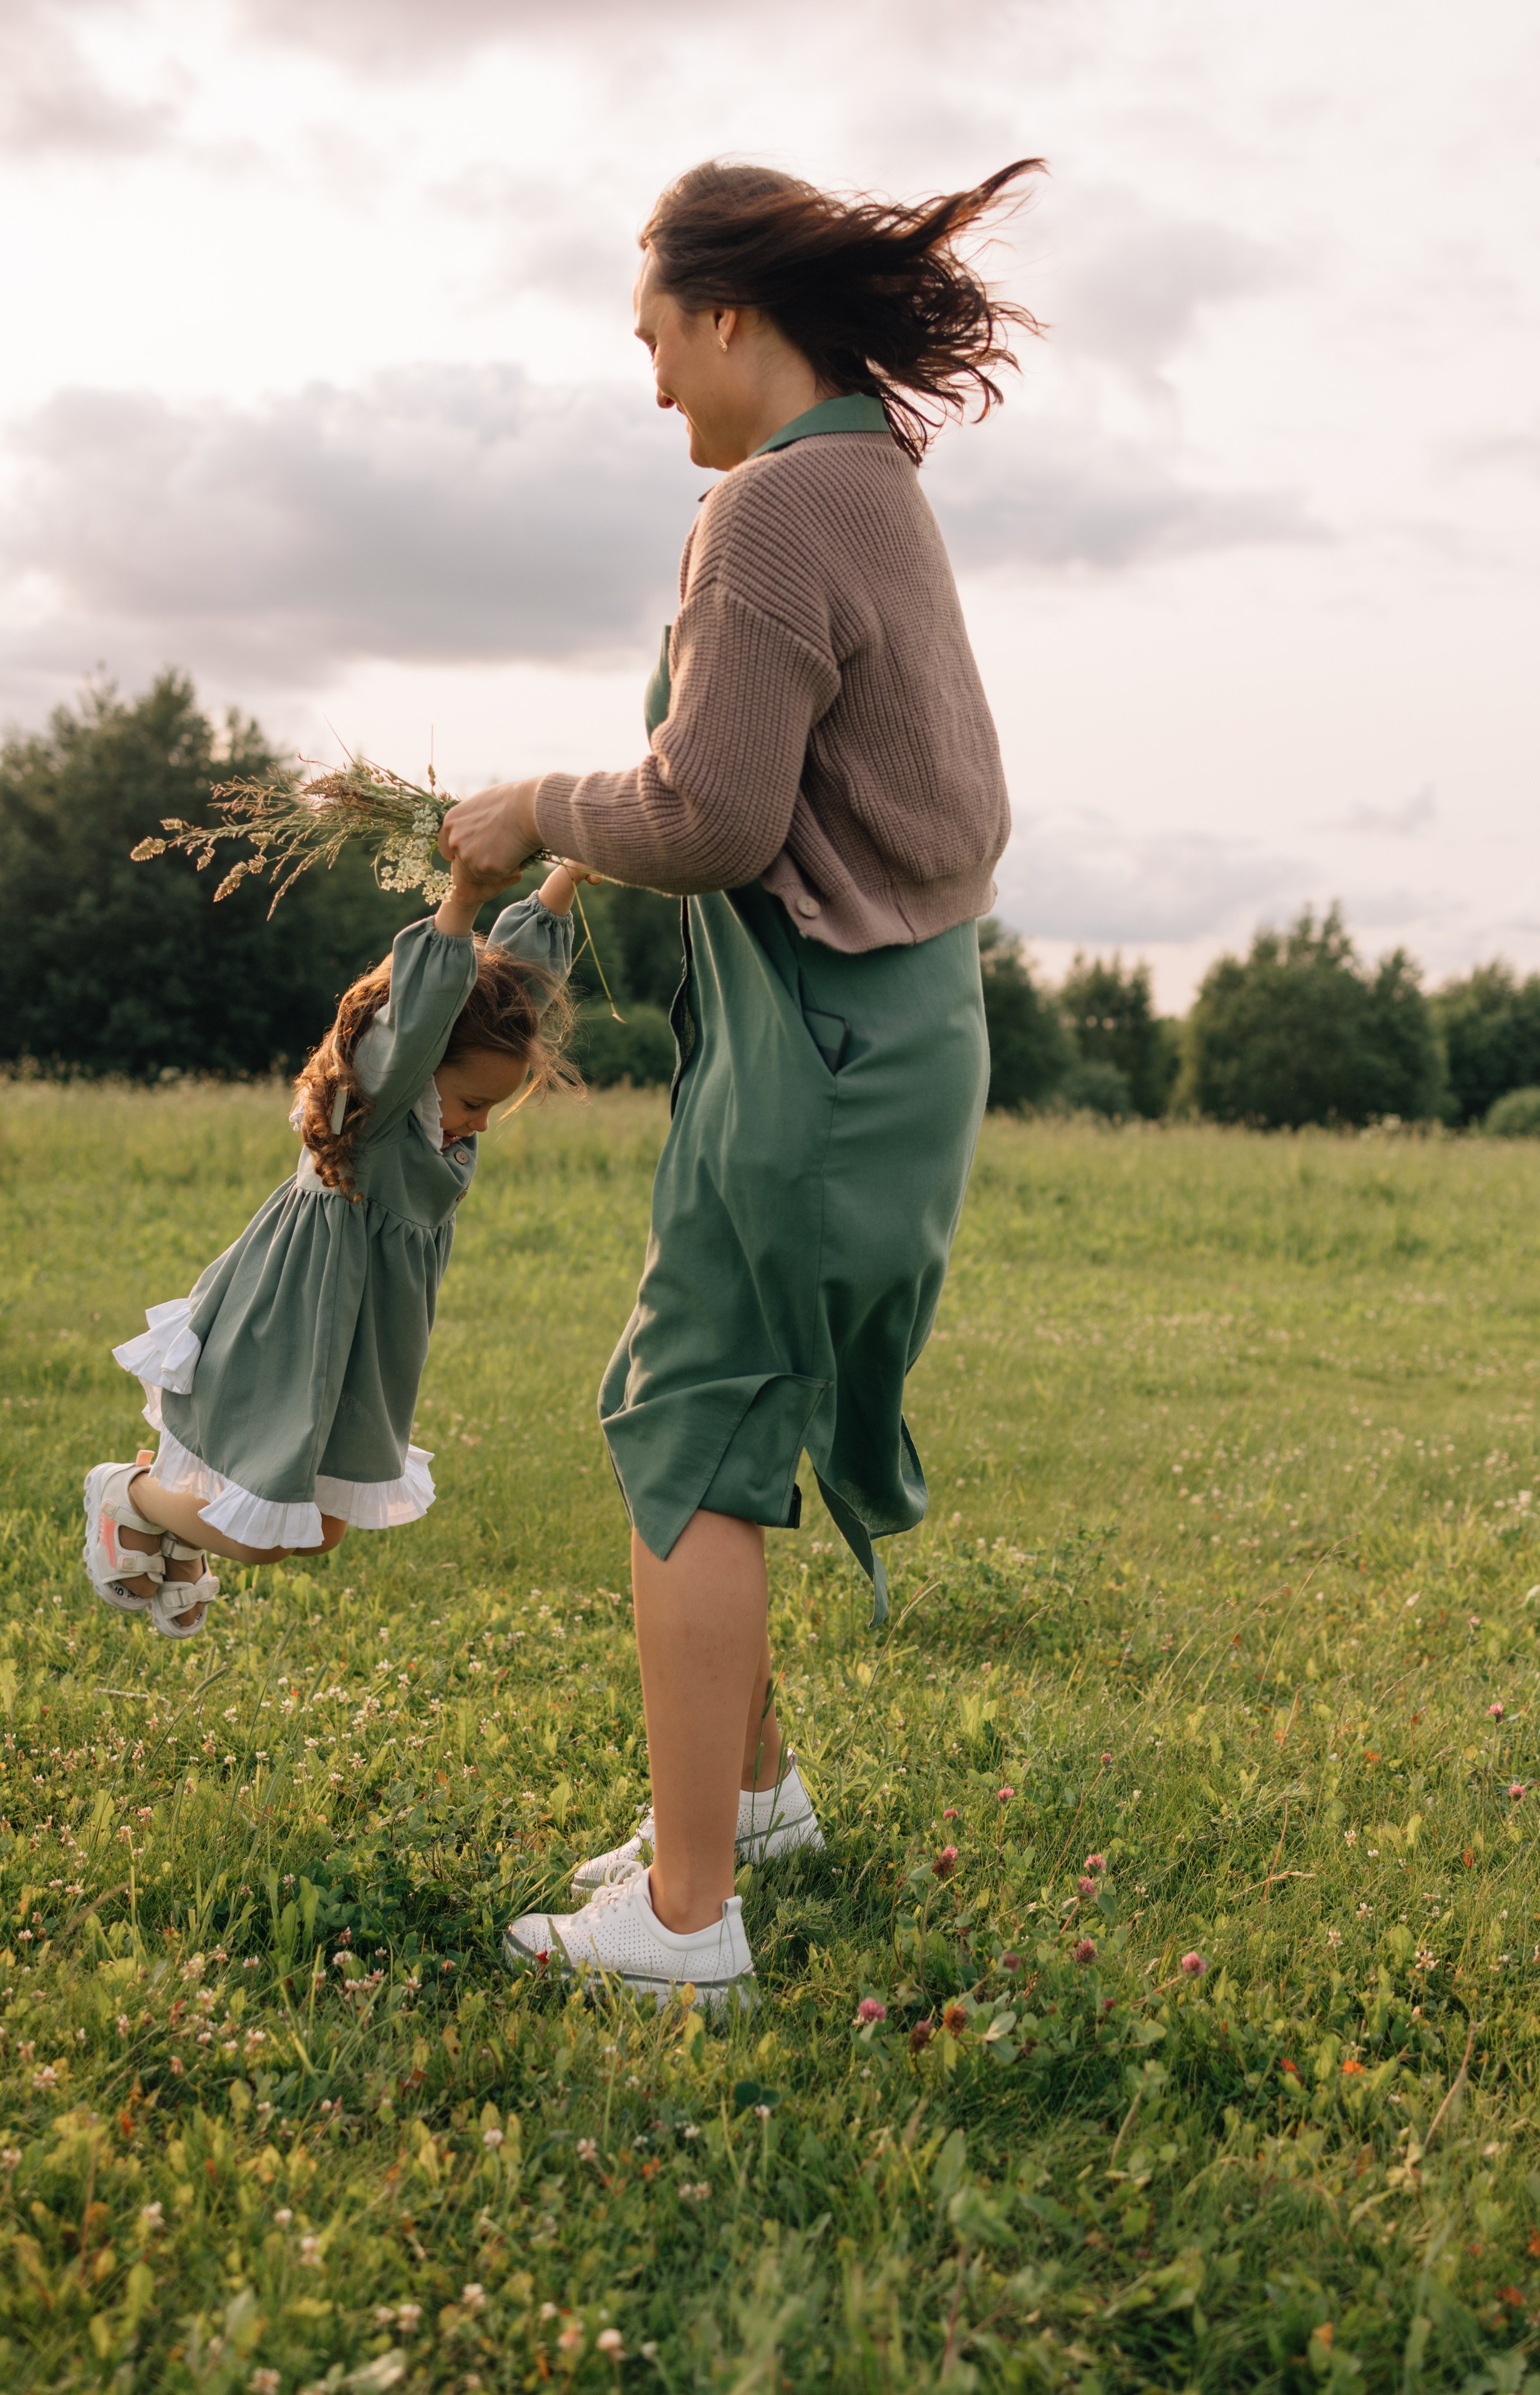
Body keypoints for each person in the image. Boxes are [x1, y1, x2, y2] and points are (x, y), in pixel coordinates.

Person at [443, 157, 1039, 2009]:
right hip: (878, 1028)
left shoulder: (776, 513)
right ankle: (751, 1796)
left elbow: (711, 813)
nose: (647, 389)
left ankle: (687, 1920)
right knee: (708, 1394)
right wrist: (573, 854)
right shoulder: (867, 481)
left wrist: (540, 803)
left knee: (693, 1421)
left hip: (827, 1048)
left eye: (650, 342)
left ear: (724, 315)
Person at [83, 859, 579, 1636]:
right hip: (297, 1324)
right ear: (417, 1070)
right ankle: (130, 1496)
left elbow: (523, 988)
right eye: (474, 1102)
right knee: (267, 1533)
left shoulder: (440, 1115)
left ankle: (168, 1532)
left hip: (366, 1346)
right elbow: (418, 1015)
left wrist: (568, 876)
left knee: (322, 1533)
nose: (482, 1122)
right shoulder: (380, 1109)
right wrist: (461, 900)